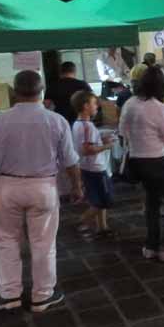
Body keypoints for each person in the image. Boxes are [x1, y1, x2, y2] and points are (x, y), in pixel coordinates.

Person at [0, 71, 80, 312]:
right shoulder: (56, 121)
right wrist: (77, 186)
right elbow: (70, 161)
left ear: (15, 92)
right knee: (43, 243)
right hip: (43, 187)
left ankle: (10, 294)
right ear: (41, 90)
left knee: (6, 240)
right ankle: (42, 295)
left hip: (7, 187)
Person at [119, 66, 164, 262]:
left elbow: (123, 131)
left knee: (152, 202)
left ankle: (151, 245)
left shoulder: (130, 103)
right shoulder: (158, 106)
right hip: (158, 160)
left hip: (137, 160)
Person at [71, 91, 115, 239]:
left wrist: (101, 140)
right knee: (105, 200)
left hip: (86, 167)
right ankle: (82, 220)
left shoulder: (78, 124)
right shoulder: (88, 126)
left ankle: (102, 227)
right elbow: (87, 149)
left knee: (98, 199)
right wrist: (107, 146)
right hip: (95, 168)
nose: (97, 106)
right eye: (94, 103)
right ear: (86, 106)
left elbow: (86, 145)